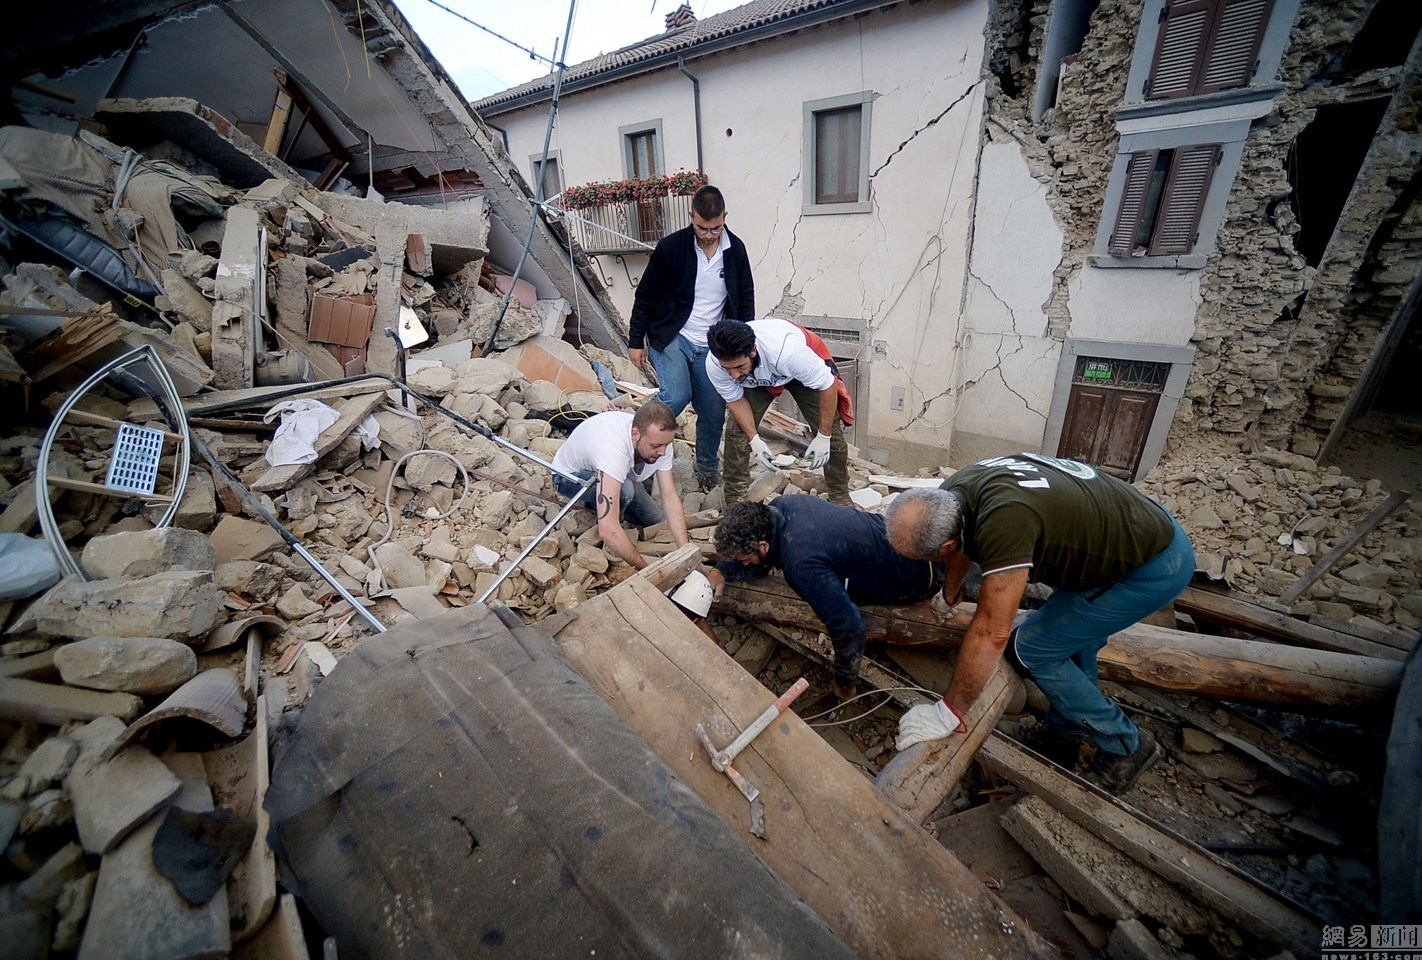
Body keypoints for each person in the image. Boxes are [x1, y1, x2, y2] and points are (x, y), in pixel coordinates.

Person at [884, 454, 1195, 794]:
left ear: (944, 545)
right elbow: (962, 545)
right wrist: (950, 589)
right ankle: (1066, 735)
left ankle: (1125, 745)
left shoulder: (1005, 524)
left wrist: (949, 712)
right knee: (1071, 638)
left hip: (1149, 566)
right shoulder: (953, 493)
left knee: (1030, 649)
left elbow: (992, 632)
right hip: (1125, 528)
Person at [708, 495, 946, 699]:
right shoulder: (781, 506)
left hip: (919, 577)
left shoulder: (800, 564)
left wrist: (845, 683)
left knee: (842, 604)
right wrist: (723, 570)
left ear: (762, 546)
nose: (745, 563)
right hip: (911, 541)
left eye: (744, 559)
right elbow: (762, 564)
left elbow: (850, 627)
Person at [628, 184, 755, 493]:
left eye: (714, 228)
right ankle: (633, 445)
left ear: (725, 217)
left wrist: (746, 345)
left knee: (713, 412)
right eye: (701, 227)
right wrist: (635, 340)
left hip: (712, 346)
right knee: (676, 396)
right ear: (691, 217)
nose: (708, 234)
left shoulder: (735, 251)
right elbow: (645, 295)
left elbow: (746, 297)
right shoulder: (671, 248)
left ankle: (708, 471)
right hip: (674, 335)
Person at [705, 317, 852, 506]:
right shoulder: (715, 364)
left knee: (831, 431)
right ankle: (736, 502)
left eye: (739, 366)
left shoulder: (790, 353)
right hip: (759, 378)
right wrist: (754, 439)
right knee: (736, 432)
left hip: (793, 371)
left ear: (753, 351)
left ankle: (840, 496)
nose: (733, 375)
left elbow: (827, 385)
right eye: (728, 369)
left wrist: (824, 436)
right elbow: (735, 400)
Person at [551, 402, 691, 571]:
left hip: (620, 472)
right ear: (635, 434)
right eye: (655, 446)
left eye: (666, 445)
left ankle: (621, 515)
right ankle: (611, 523)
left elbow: (669, 496)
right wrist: (645, 569)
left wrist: (687, 553)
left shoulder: (660, 440)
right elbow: (607, 530)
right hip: (569, 477)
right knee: (625, 492)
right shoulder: (613, 451)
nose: (663, 452)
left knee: (655, 520)